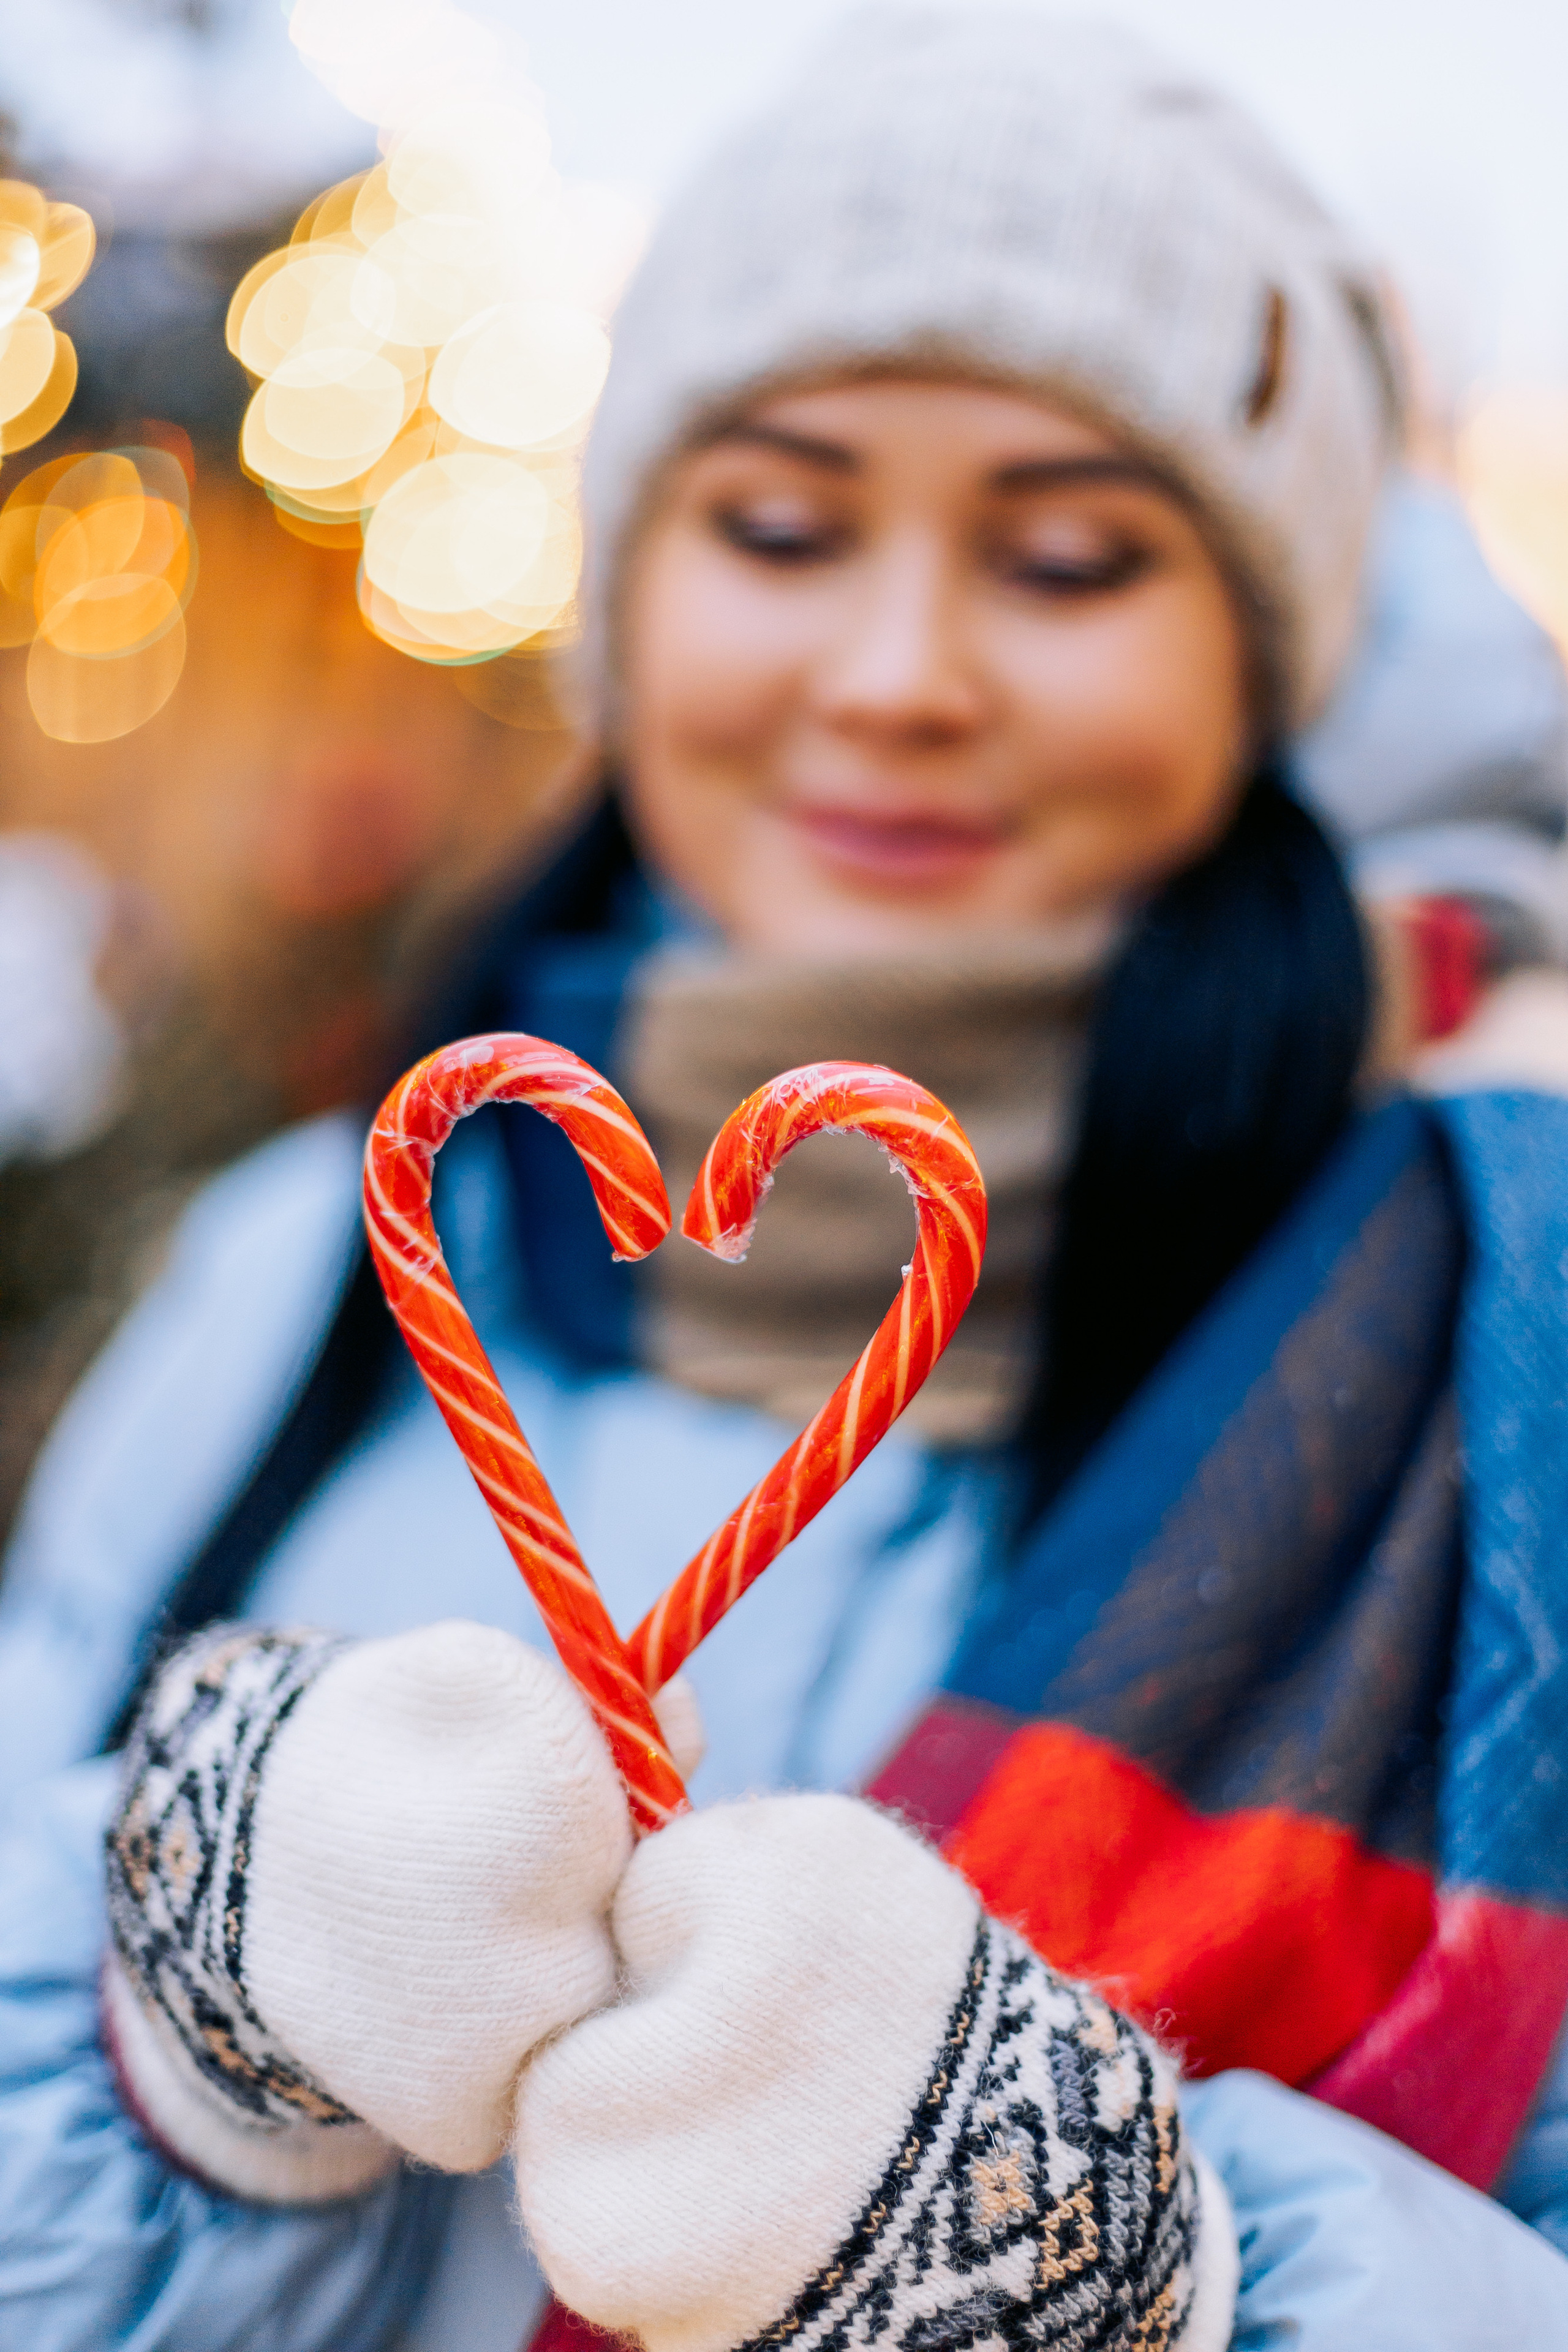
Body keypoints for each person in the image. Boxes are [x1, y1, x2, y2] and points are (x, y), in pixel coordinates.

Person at [2, 9, 1568, 2348]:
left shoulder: (1487, 1366)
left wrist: (1163, 2287)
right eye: (779, 526)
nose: (898, 672)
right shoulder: (303, 1276)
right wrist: (175, 2040)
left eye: (1064, 560)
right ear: (631, 591)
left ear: (1262, 668)